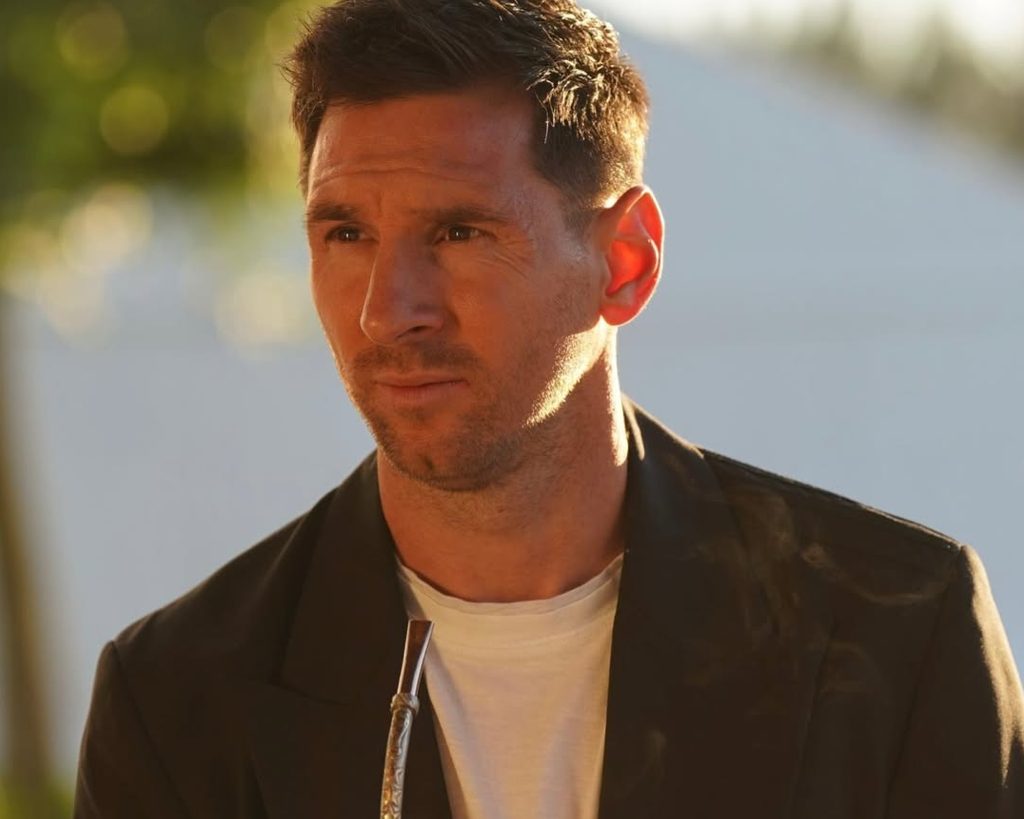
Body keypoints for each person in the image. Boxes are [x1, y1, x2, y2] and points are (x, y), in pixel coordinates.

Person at [74, 1, 1024, 817]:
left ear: (625, 262)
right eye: (347, 233)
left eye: (459, 231)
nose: (386, 311)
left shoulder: (895, 631)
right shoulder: (177, 699)